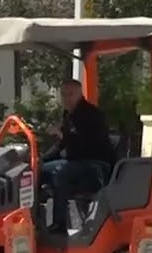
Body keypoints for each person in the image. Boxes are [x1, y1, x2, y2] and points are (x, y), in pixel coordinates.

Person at [41, 78, 116, 233]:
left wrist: (63, 135)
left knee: (61, 174)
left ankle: (59, 225)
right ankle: (35, 222)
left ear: (80, 94)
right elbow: (61, 145)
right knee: (38, 171)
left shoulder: (91, 114)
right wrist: (41, 159)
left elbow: (86, 144)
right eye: (63, 95)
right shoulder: (68, 114)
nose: (66, 98)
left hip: (96, 164)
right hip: (77, 162)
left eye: (70, 94)